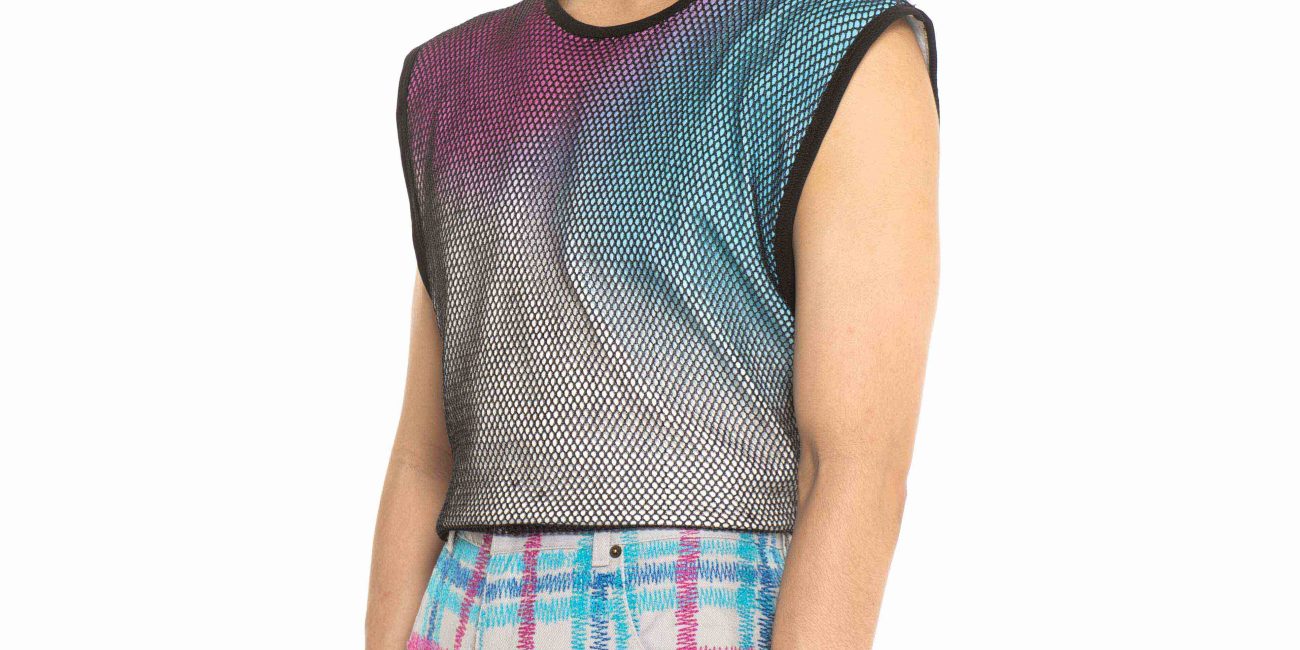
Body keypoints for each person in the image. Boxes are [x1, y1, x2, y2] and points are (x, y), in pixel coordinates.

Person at [367, 0, 939, 647]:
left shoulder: (831, 48)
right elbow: (425, 459)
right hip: (461, 605)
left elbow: (853, 472)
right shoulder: (456, 73)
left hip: (692, 609)